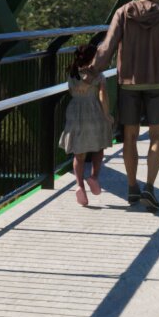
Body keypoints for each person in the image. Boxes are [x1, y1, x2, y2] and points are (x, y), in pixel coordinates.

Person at [94, 0, 159, 212]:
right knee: (156, 137)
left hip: (129, 83)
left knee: (130, 136)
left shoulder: (123, 13)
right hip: (158, 83)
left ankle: (132, 186)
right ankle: (150, 188)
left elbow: (107, 46)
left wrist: (92, 70)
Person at [58, 42, 111, 207]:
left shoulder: (72, 74)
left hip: (75, 111)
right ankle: (94, 177)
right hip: (94, 111)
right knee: (99, 147)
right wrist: (107, 115)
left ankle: (79, 185)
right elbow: (102, 95)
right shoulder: (98, 75)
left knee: (78, 153)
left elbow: (72, 91)